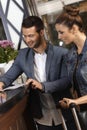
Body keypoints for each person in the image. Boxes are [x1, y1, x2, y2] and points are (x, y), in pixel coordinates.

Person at [0, 16, 71, 130]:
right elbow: (9, 76)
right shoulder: (22, 55)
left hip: (65, 114)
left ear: (41, 32)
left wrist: (42, 86)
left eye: (31, 35)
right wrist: (2, 83)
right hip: (42, 117)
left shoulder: (61, 53)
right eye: (25, 36)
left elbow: (66, 81)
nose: (27, 40)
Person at [55, 5, 87, 129]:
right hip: (83, 112)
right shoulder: (71, 56)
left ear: (74, 28)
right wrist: (69, 101)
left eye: (61, 32)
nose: (59, 37)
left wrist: (76, 101)